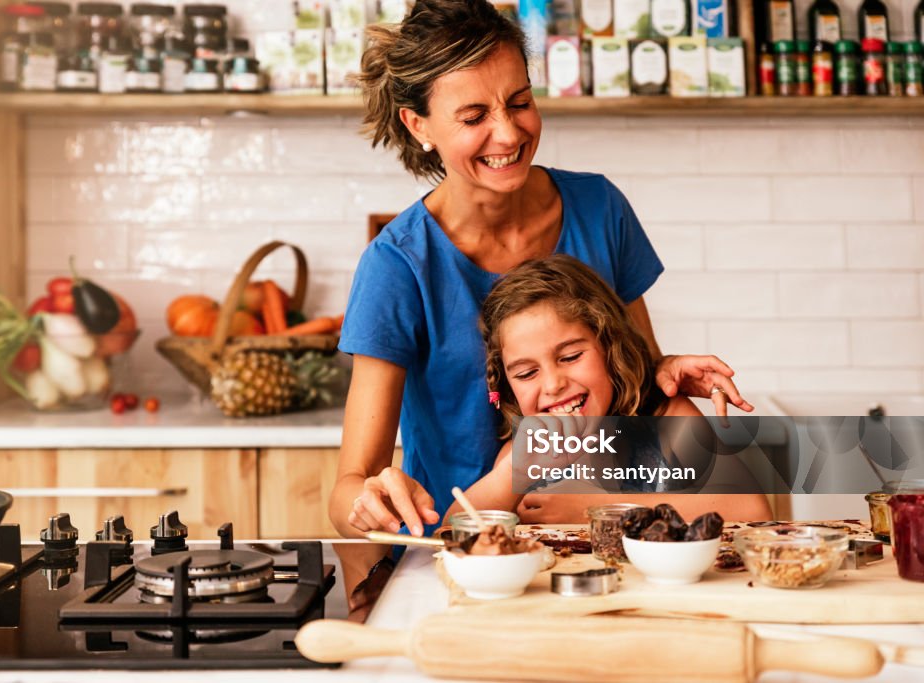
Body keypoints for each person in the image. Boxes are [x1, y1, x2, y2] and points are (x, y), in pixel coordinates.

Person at [330, 0, 753, 541]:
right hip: (456, 551)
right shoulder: (398, 265)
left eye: (519, 102)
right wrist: (368, 502)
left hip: (603, 547)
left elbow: (633, 397)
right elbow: (349, 487)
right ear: (419, 125)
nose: (507, 135)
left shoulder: (600, 208)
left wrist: (662, 367)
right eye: (474, 117)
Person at [447, 254, 772, 522]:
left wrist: (595, 511)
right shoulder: (531, 448)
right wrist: (508, 477)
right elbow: (451, 533)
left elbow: (750, 510)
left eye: (571, 356)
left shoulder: (665, 418)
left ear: (610, 348)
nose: (553, 384)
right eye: (527, 373)